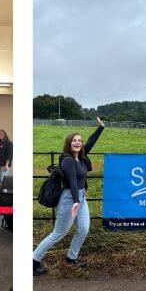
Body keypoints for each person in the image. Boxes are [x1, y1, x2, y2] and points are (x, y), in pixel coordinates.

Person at [33, 117, 105, 275]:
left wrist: (100, 128)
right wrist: (75, 202)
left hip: (81, 198)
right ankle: (34, 260)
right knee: (58, 233)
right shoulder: (67, 160)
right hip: (69, 199)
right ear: (69, 143)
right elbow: (72, 182)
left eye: (79, 140)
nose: (78, 143)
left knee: (84, 229)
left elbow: (90, 143)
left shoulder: (81, 157)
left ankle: (71, 257)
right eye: (74, 141)